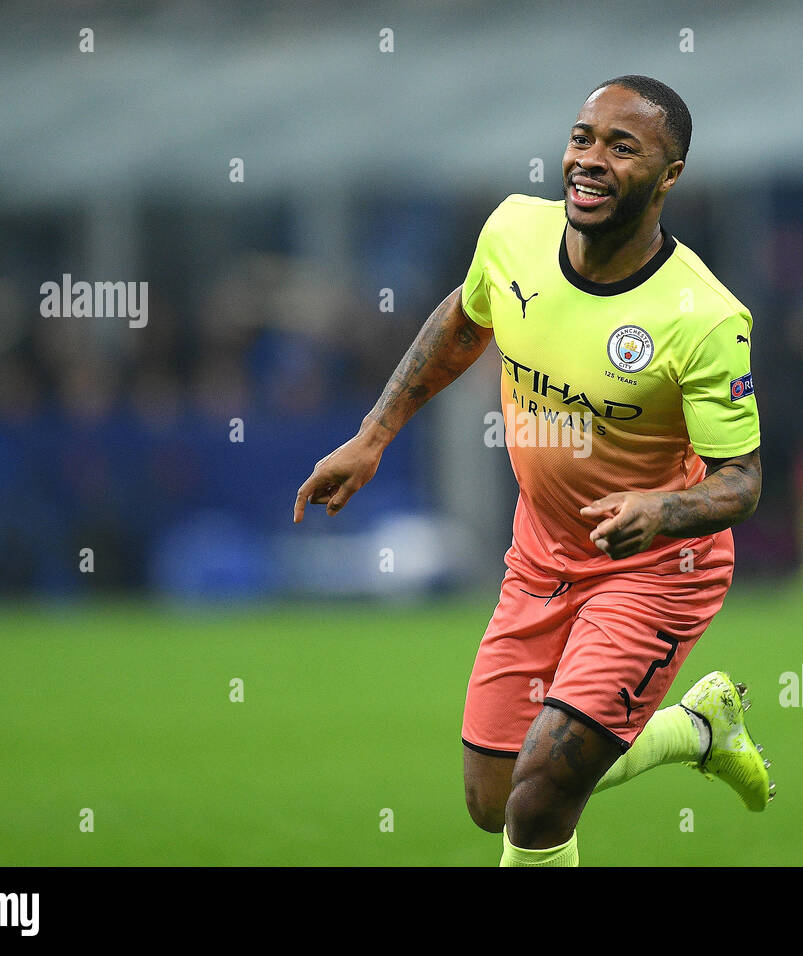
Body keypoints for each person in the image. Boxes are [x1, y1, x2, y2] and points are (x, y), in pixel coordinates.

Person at [295, 75, 774, 866]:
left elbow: (742, 482)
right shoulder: (514, 232)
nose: (591, 159)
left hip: (656, 566)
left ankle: (656, 738)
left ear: (669, 176)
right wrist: (372, 435)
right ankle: (697, 728)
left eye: (623, 147)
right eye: (583, 137)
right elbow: (464, 318)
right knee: (493, 799)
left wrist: (662, 511)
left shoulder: (707, 318)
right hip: (543, 553)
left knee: (540, 796)